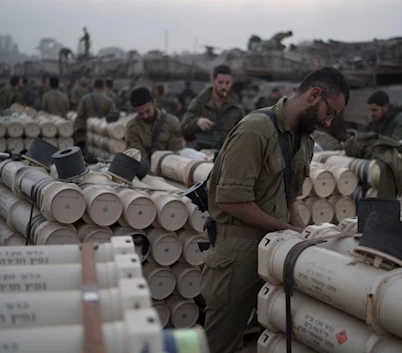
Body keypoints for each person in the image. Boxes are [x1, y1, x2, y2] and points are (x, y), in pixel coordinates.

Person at [201, 67, 350, 353]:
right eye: (329, 113)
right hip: (238, 254)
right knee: (221, 342)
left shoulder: (303, 139)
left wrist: (304, 236)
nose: (329, 123)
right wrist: (290, 231)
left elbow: (288, 198)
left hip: (277, 249)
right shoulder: (255, 130)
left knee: (272, 336)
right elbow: (231, 201)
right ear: (314, 95)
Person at [181, 64, 245, 150]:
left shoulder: (236, 107)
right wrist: (197, 122)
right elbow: (184, 130)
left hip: (226, 155)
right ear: (212, 80)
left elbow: (244, 134)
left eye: (227, 83)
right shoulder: (199, 103)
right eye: (220, 82)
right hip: (202, 155)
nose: (224, 87)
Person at [125, 87, 183, 161]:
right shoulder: (132, 128)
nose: (145, 116)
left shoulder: (172, 123)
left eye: (147, 111)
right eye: (141, 114)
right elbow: (136, 157)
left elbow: (176, 152)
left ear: (154, 102)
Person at [74, 78, 115, 151]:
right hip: (102, 133)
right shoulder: (108, 101)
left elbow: (79, 115)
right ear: (103, 87)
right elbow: (113, 116)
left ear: (93, 86)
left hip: (88, 131)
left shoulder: (85, 99)